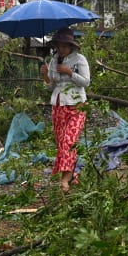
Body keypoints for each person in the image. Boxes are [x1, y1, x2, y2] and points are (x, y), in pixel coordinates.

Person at [39, 27, 90, 193]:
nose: (61, 49)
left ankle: (64, 181)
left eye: (64, 46)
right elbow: (50, 86)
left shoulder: (79, 59)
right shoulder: (53, 61)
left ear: (71, 46)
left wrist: (70, 72)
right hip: (58, 105)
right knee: (61, 143)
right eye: (58, 46)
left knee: (69, 141)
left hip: (76, 105)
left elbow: (86, 82)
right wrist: (45, 75)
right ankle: (71, 174)